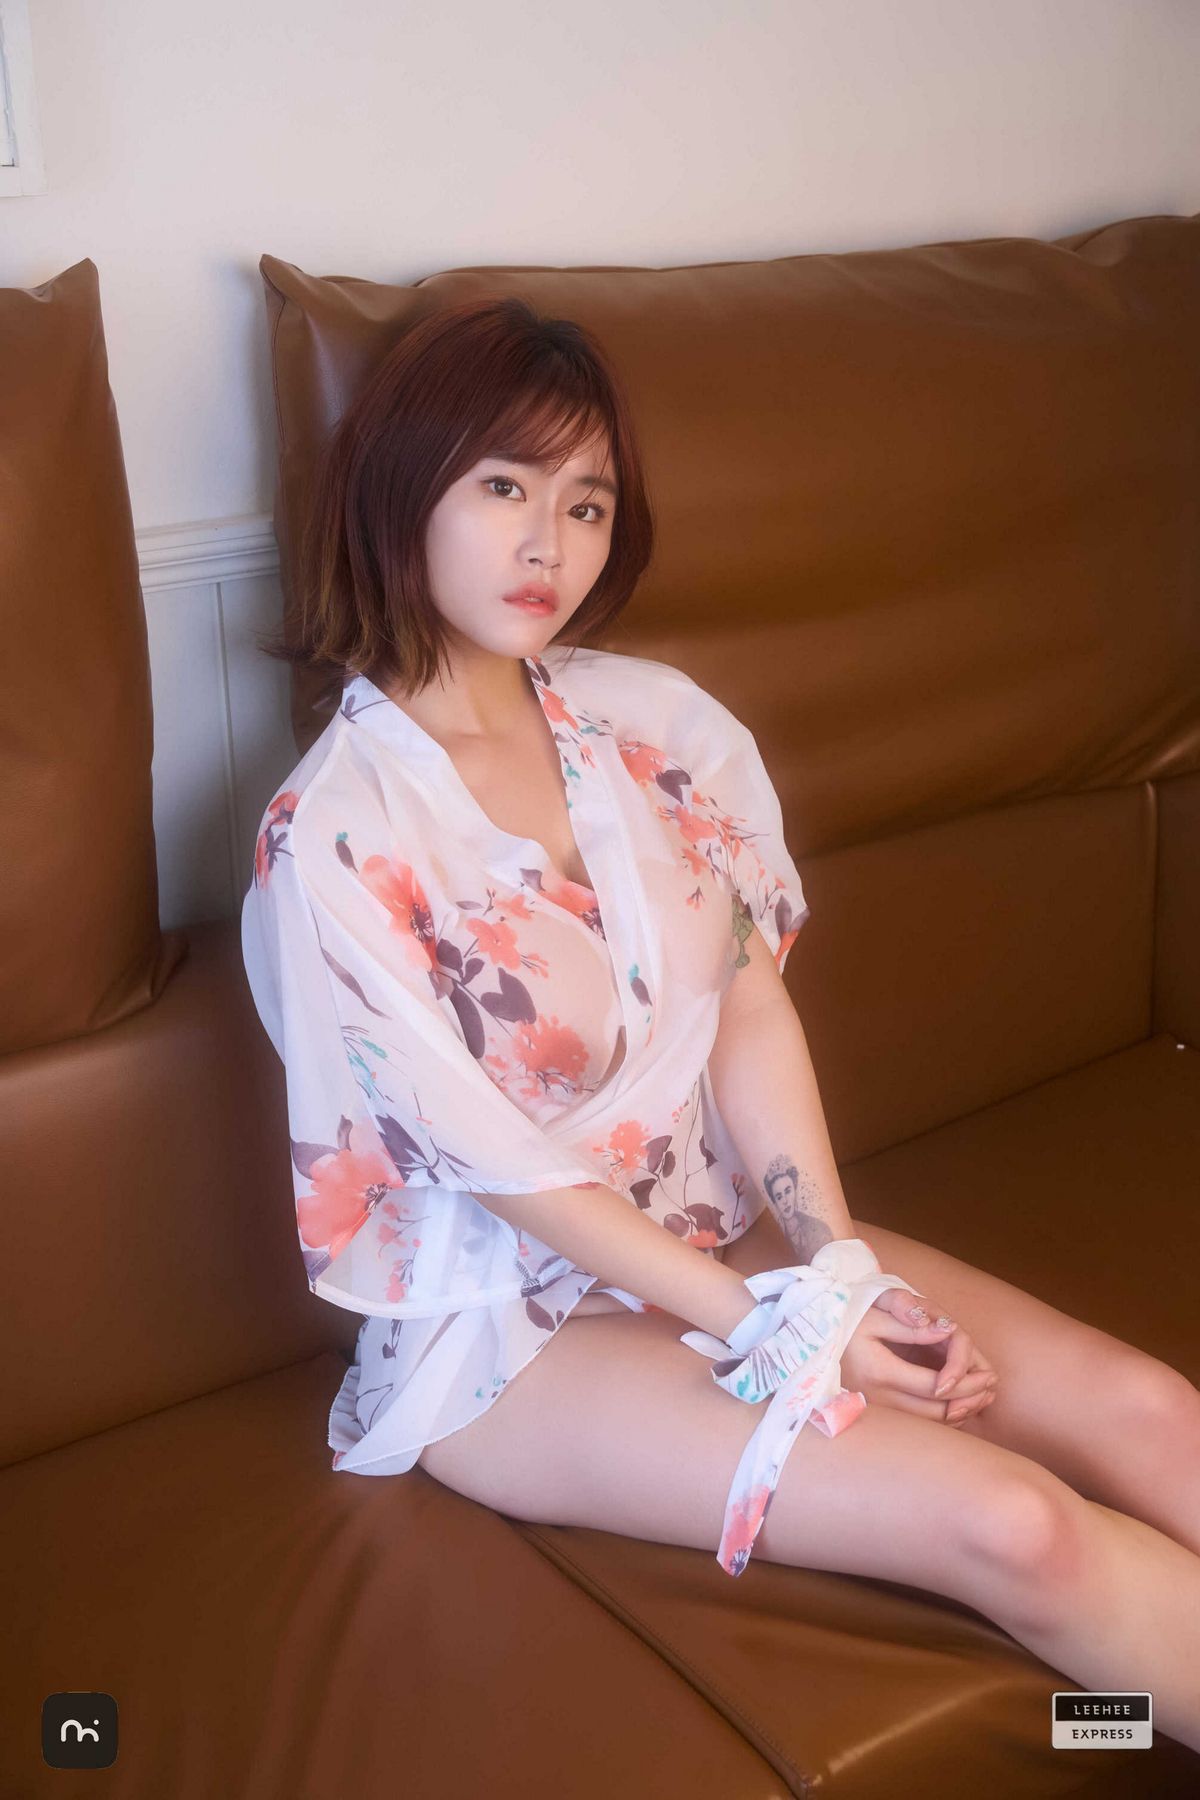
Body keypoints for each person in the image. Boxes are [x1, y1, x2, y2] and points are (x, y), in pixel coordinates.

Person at [242, 295, 1200, 1751]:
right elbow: (505, 1170)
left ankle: (1125, 1728)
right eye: (502, 487)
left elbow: (746, 1009)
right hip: (518, 1339)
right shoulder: (330, 838)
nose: (549, 545)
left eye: (586, 504)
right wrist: (786, 1327)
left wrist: (837, 1266)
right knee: (1021, 1528)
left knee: (1151, 1413)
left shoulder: (656, 730)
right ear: (401, 490)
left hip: (729, 1232)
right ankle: (1116, 1725)